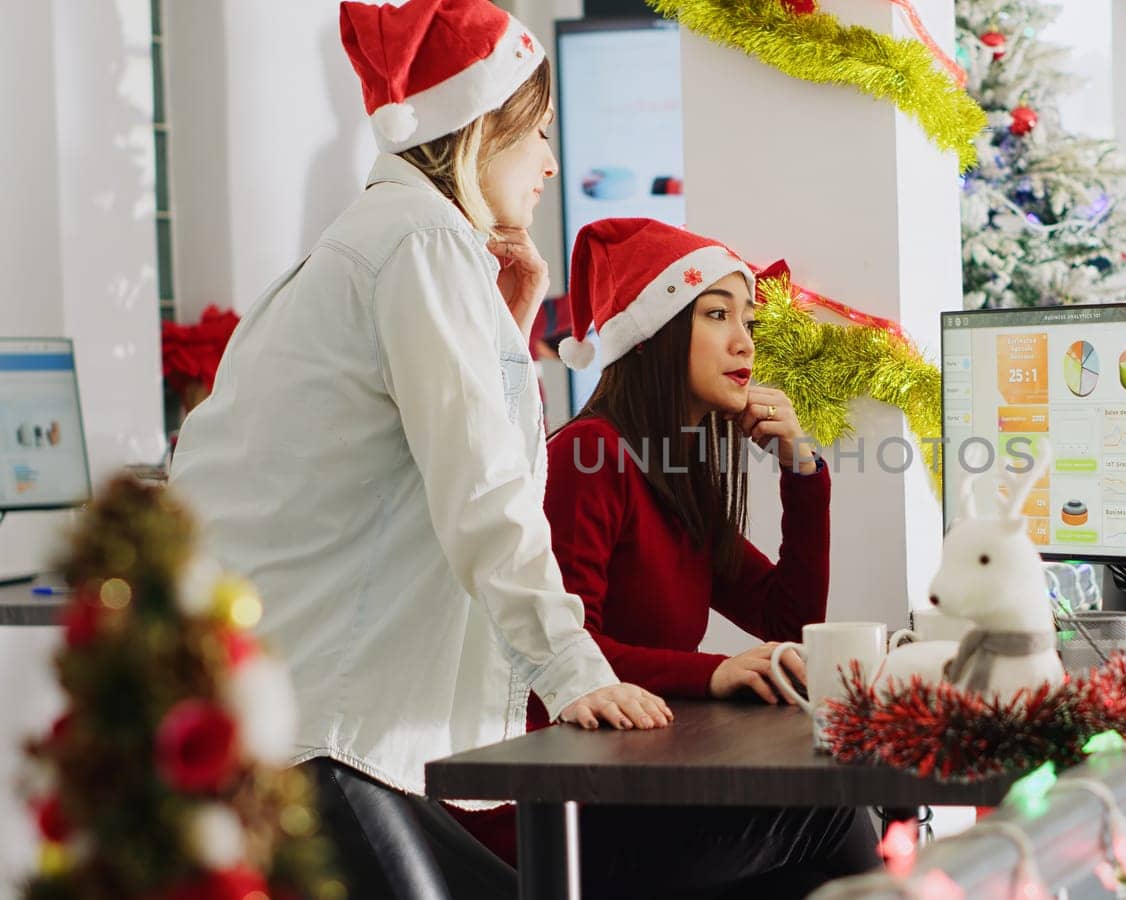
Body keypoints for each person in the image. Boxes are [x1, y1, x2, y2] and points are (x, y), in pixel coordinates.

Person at [168, 3, 668, 895]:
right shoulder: (422, 243)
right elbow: (484, 492)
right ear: (482, 127)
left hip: (294, 720)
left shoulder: (388, 239)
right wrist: (572, 670)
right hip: (322, 735)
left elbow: (455, 453)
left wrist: (508, 334)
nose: (553, 162)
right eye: (539, 135)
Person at [456, 218, 882, 898]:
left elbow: (789, 621)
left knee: (817, 846)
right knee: (833, 813)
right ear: (656, 332)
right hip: (558, 818)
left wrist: (805, 475)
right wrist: (714, 673)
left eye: (748, 318)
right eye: (718, 315)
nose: (745, 341)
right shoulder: (590, 458)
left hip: (630, 790)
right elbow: (563, 655)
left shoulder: (676, 478)